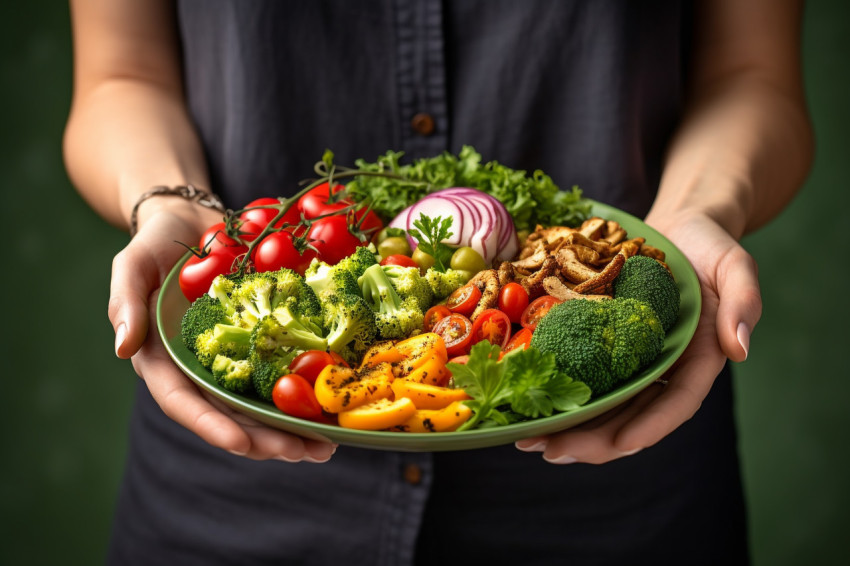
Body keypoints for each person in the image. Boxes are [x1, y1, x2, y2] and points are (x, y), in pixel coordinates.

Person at [63, 1, 813, 564]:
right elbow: (120, 77)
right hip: (226, 501)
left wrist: (698, 210)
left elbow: (752, 78)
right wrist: (169, 204)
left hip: (620, 490)